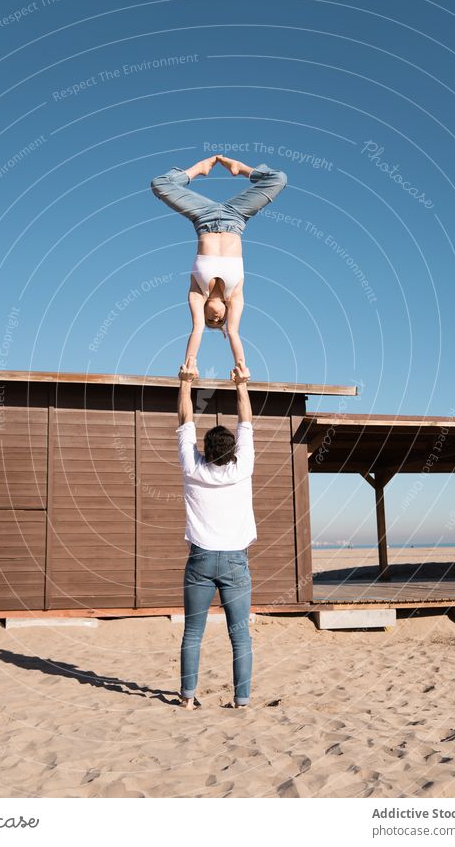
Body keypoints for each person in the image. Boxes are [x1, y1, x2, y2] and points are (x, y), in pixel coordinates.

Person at [150, 155, 287, 373]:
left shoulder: (197, 292)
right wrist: (241, 364)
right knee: (279, 178)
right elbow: (233, 332)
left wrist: (190, 361)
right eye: (220, 319)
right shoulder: (235, 295)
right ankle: (242, 168)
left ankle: (198, 168)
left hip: (202, 218)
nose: (216, 318)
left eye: (211, 320)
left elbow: (196, 328)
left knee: (159, 184)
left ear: (204, 312)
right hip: (236, 217)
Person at [175, 355, 256, 709]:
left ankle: (188, 699)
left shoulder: (193, 468)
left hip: (200, 560)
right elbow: (246, 421)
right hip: (236, 562)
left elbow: (185, 420)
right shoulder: (243, 468)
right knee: (240, 637)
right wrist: (241, 384)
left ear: (205, 450)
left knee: (193, 633)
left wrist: (186, 381)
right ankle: (242, 701)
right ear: (235, 450)